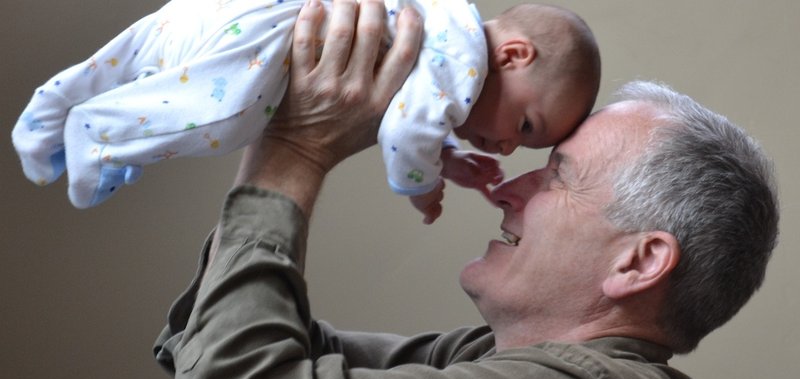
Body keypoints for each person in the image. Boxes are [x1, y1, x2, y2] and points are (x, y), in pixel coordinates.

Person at [153, 1, 779, 379]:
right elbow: (215, 338)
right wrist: (290, 108)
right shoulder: (496, 359)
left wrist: (296, 150)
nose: (506, 189)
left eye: (557, 175)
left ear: (638, 262)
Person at [11, 0, 600, 223]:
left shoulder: (445, 28)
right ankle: (98, 135)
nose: (503, 147)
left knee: (134, 56)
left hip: (242, 15)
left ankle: (51, 118)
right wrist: (419, 185)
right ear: (514, 55)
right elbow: (405, 128)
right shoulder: (463, 59)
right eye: (525, 126)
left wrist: (449, 158)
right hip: (272, 42)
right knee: (223, 121)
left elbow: (417, 111)